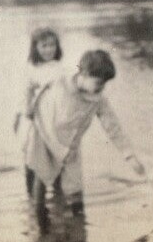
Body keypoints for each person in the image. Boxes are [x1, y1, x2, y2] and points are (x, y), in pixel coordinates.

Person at [25, 49, 145, 217]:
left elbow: (113, 126)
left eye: (104, 84)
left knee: (75, 185)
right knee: (42, 176)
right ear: (84, 73)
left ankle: (78, 222)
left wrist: (130, 156)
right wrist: (28, 108)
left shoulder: (98, 99)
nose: (101, 87)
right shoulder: (60, 82)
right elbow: (33, 84)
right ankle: (39, 219)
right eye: (98, 82)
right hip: (45, 136)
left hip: (70, 145)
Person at [13, 27, 65, 195]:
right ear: (35, 48)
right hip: (34, 117)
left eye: (52, 45)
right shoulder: (31, 69)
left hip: (54, 119)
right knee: (32, 156)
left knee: (58, 155)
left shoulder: (61, 68)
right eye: (44, 46)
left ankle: (58, 193)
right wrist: (26, 111)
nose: (49, 49)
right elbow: (25, 92)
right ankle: (31, 195)